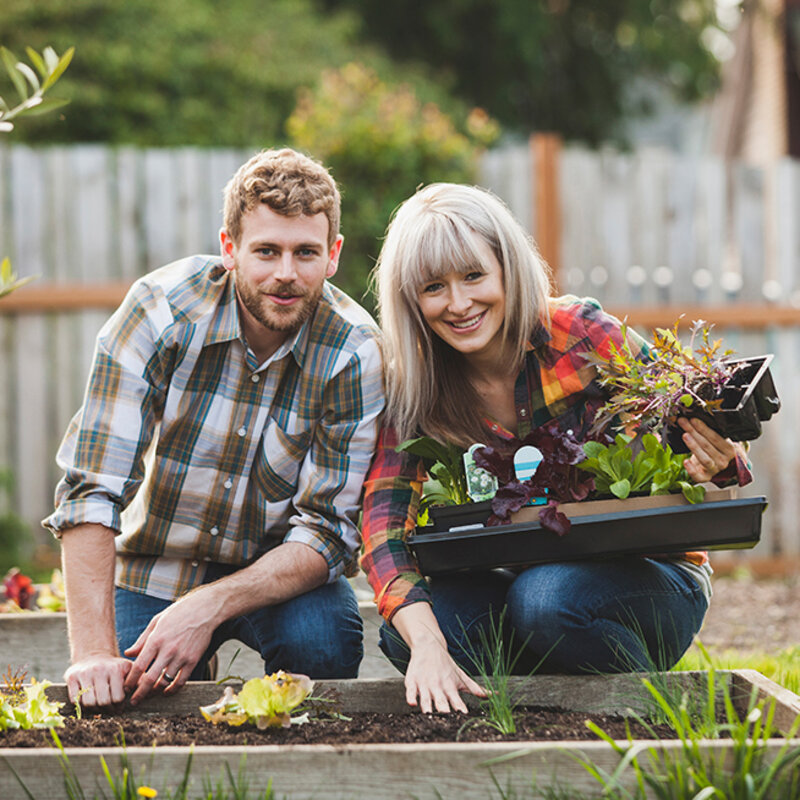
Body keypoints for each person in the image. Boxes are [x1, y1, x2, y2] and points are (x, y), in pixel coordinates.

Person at [360, 183, 751, 714]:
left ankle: (654, 715)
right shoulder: (416, 388)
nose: (459, 304)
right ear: (411, 299)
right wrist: (427, 642)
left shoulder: (579, 335)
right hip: (520, 582)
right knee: (410, 633)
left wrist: (719, 460)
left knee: (547, 600)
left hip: (648, 580)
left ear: (506, 268)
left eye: (474, 276)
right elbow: (384, 524)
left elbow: (703, 434)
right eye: (434, 287)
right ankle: (536, 717)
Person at [43, 148, 385, 707]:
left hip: (277, 574)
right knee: (129, 698)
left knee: (324, 644)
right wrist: (92, 653)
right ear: (229, 248)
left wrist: (209, 604)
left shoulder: (355, 353)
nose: (285, 273)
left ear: (333, 256)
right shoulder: (159, 312)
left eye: (305, 253)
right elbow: (92, 487)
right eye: (266, 251)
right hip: (154, 565)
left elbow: (326, 529)